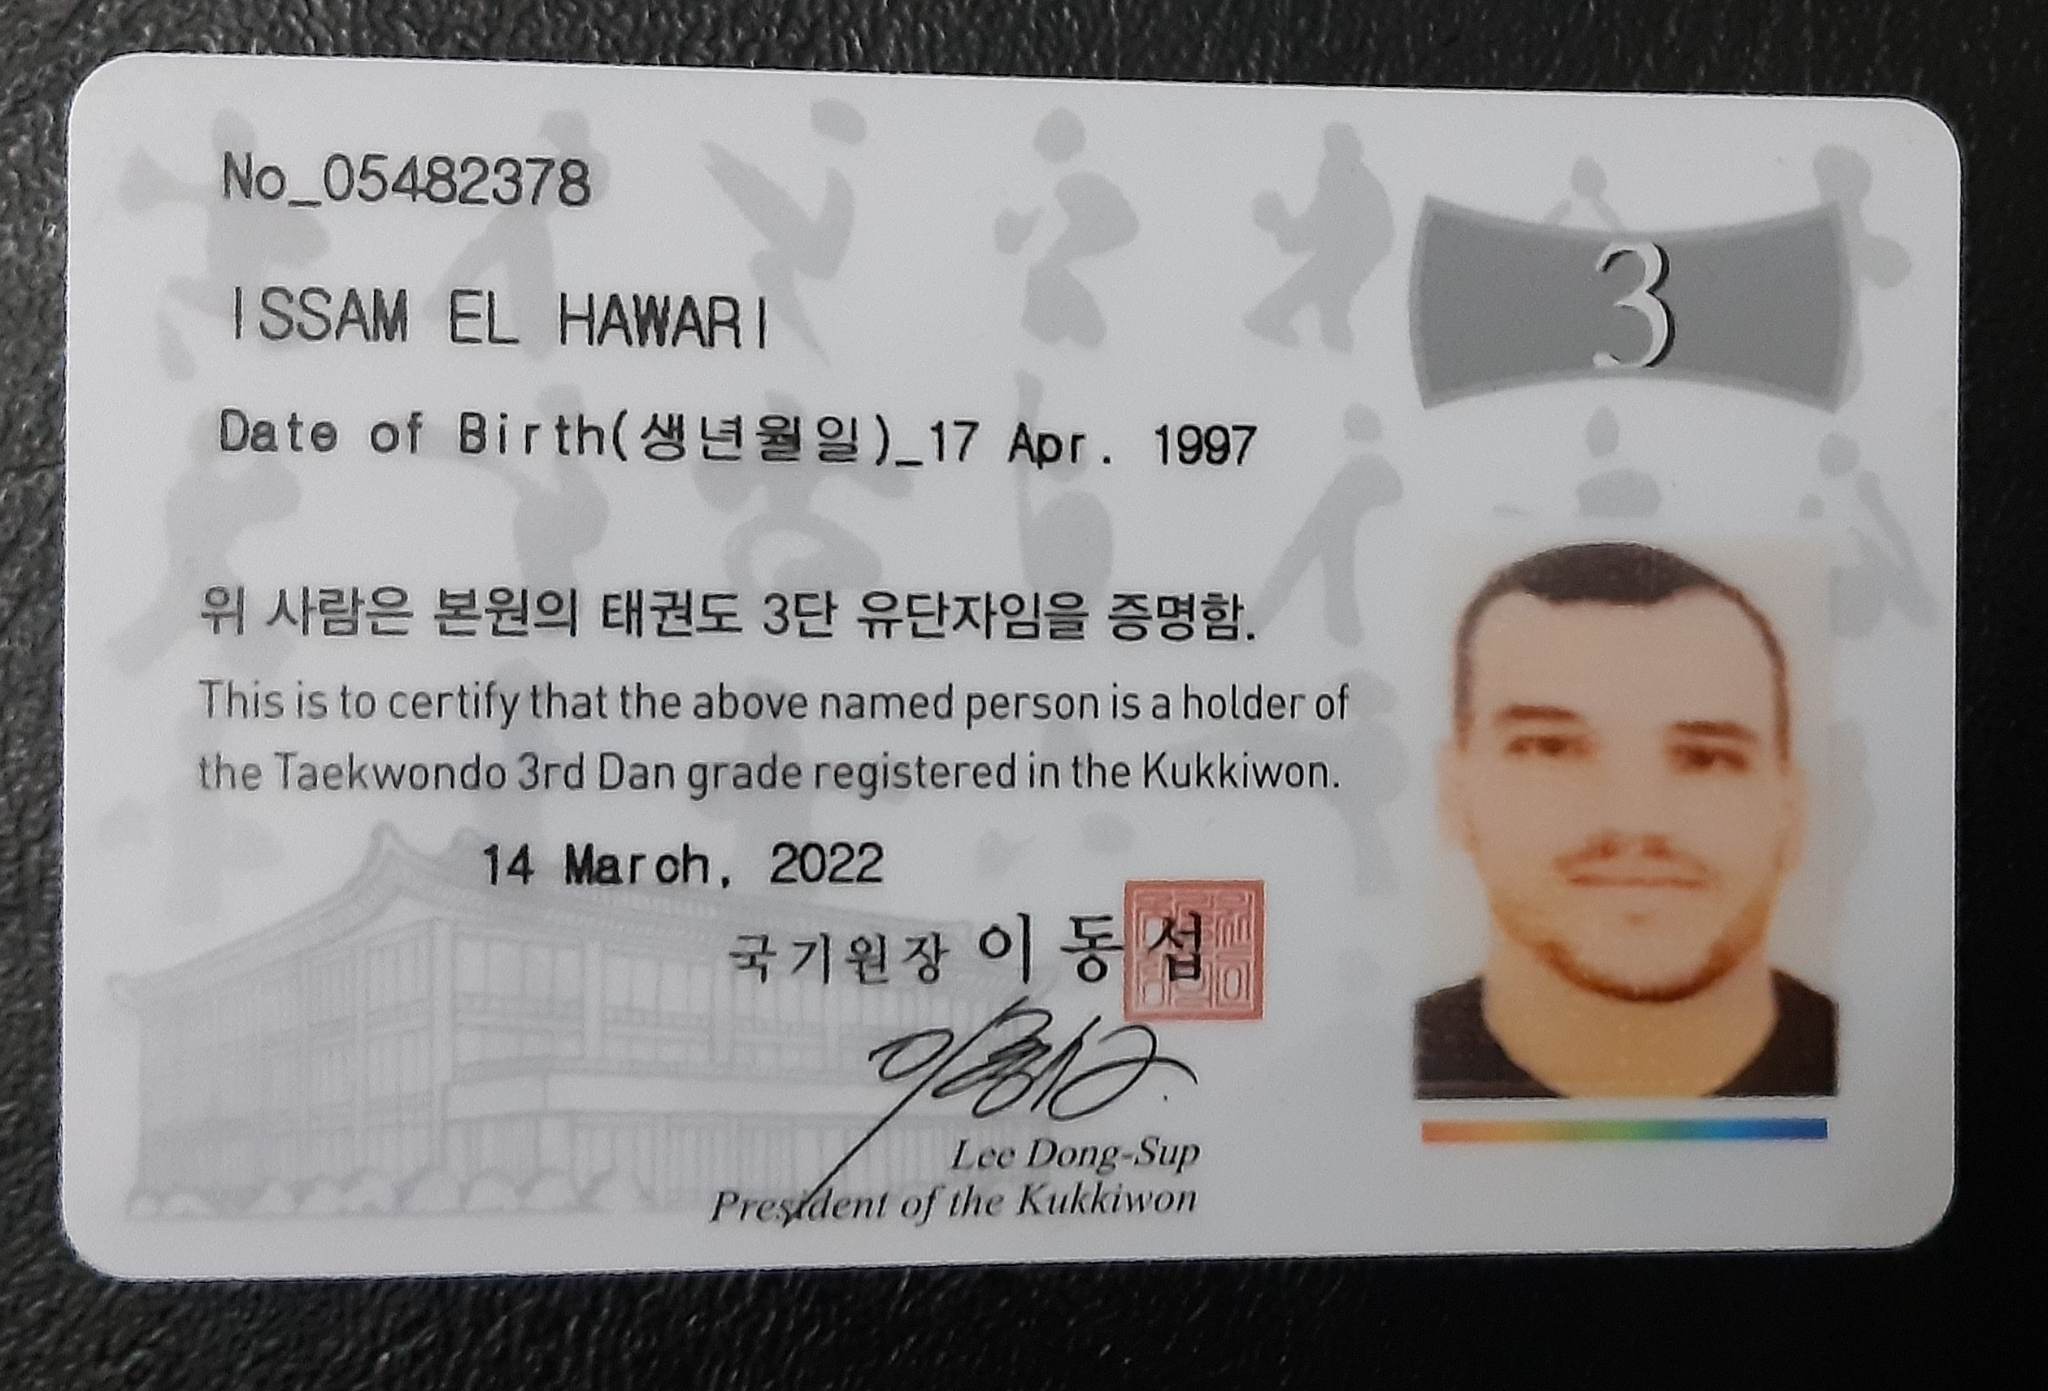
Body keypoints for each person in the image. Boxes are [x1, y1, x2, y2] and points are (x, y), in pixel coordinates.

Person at [1415, 542, 1836, 1099]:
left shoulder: (1895, 1079)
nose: (1636, 820)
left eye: (1705, 758)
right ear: (1454, 796)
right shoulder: (1353, 1086)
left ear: (1792, 811)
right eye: (1552, 749)